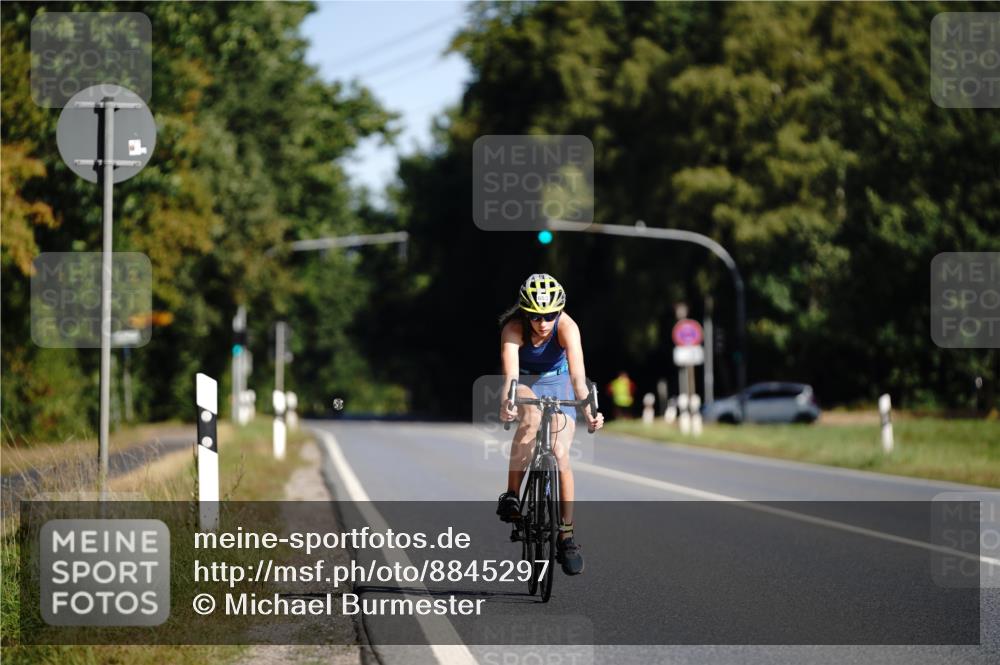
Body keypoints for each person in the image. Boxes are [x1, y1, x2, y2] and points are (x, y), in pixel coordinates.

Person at [495, 273, 604, 575]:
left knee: (559, 452)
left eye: (550, 315)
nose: (543, 322)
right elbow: (510, 377)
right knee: (530, 418)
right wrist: (508, 403)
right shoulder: (513, 328)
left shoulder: (567, 327)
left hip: (559, 384)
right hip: (526, 382)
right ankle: (512, 495)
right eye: (536, 316)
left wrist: (589, 411)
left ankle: (566, 536)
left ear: (559, 312)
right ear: (525, 312)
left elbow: (579, 379)